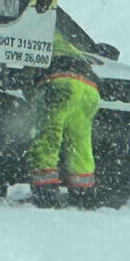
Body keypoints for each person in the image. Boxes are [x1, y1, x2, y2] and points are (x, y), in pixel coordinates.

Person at [26, 28, 101, 209]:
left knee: (48, 137)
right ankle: (83, 192)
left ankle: (45, 191)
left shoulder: (30, 33)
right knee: (79, 142)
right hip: (89, 88)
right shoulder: (61, 35)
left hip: (60, 83)